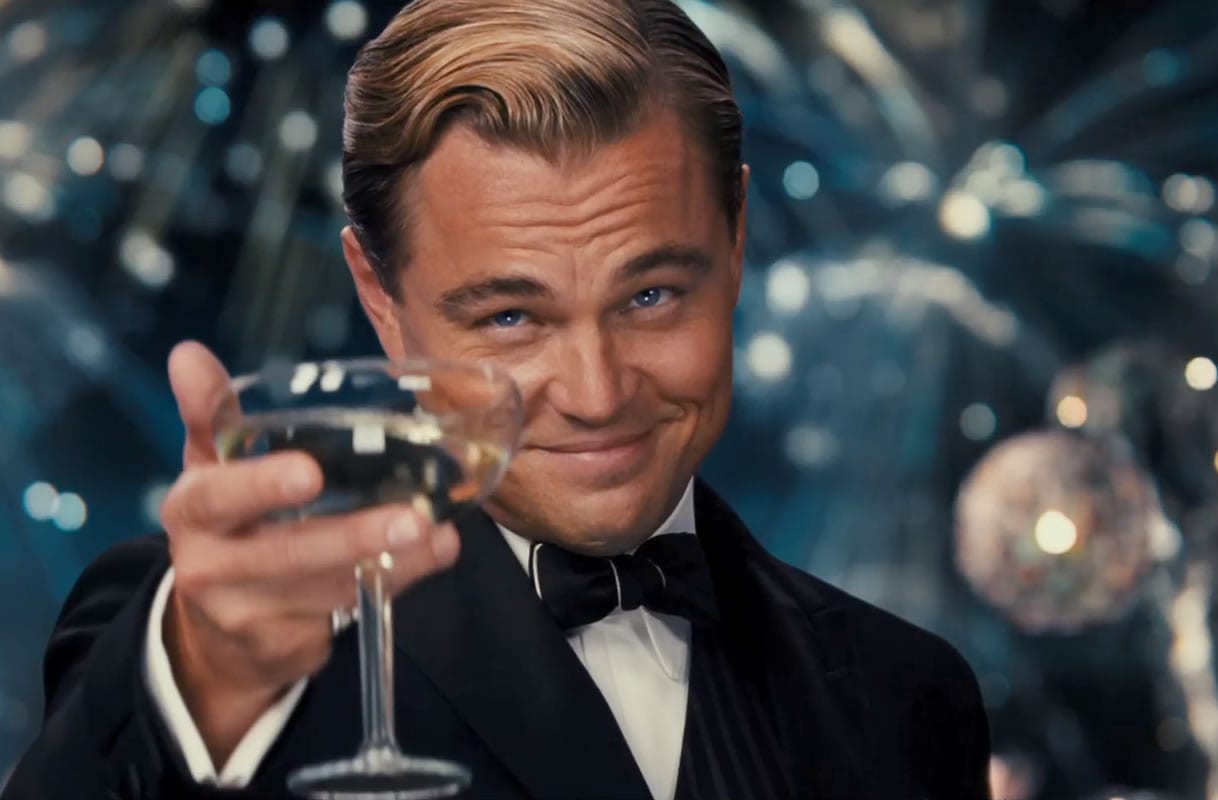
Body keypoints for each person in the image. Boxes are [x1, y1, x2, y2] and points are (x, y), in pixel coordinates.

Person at [3, 0, 991, 798]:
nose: (597, 393)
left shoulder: (910, 698)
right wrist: (197, 685)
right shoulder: (205, 647)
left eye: (652, 295)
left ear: (735, 247)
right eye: (511, 317)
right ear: (381, 303)